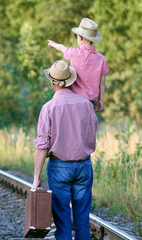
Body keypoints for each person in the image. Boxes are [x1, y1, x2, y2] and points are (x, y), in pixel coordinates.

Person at [32, 60, 98, 240]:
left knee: (62, 222)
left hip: (59, 167)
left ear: (52, 82)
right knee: (82, 221)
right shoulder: (86, 104)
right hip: (84, 166)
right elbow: (93, 132)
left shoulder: (48, 108)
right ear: (71, 81)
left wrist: (36, 178)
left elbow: (42, 146)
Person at [47, 17, 109, 112]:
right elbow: (102, 81)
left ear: (80, 37)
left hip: (75, 99)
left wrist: (53, 44)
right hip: (91, 102)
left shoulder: (74, 53)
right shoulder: (101, 58)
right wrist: (100, 100)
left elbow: (62, 48)